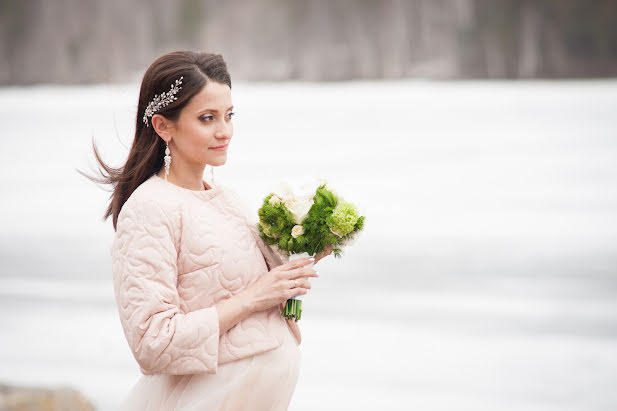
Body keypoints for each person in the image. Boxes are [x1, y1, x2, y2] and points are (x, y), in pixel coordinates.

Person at [84, 50, 333, 410]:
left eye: (229, 115)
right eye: (207, 118)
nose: (225, 131)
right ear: (162, 126)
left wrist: (304, 250)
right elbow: (153, 343)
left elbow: (246, 288)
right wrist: (256, 296)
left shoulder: (227, 200)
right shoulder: (148, 209)